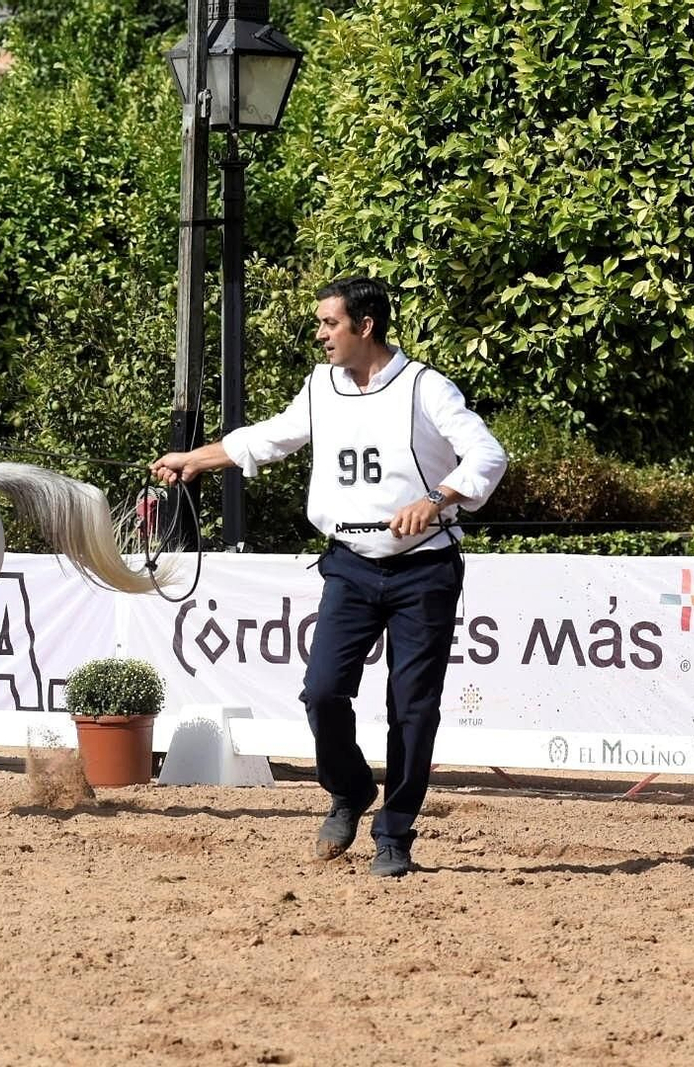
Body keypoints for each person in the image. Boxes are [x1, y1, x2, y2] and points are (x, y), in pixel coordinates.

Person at [151, 277, 507, 877]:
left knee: (412, 709)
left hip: (424, 568)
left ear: (364, 326)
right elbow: (270, 437)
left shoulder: (425, 387)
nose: (319, 335)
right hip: (349, 564)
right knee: (321, 691)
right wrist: (194, 460)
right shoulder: (321, 386)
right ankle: (349, 790)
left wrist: (439, 498)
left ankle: (394, 836)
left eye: (328, 324)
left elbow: (487, 455)